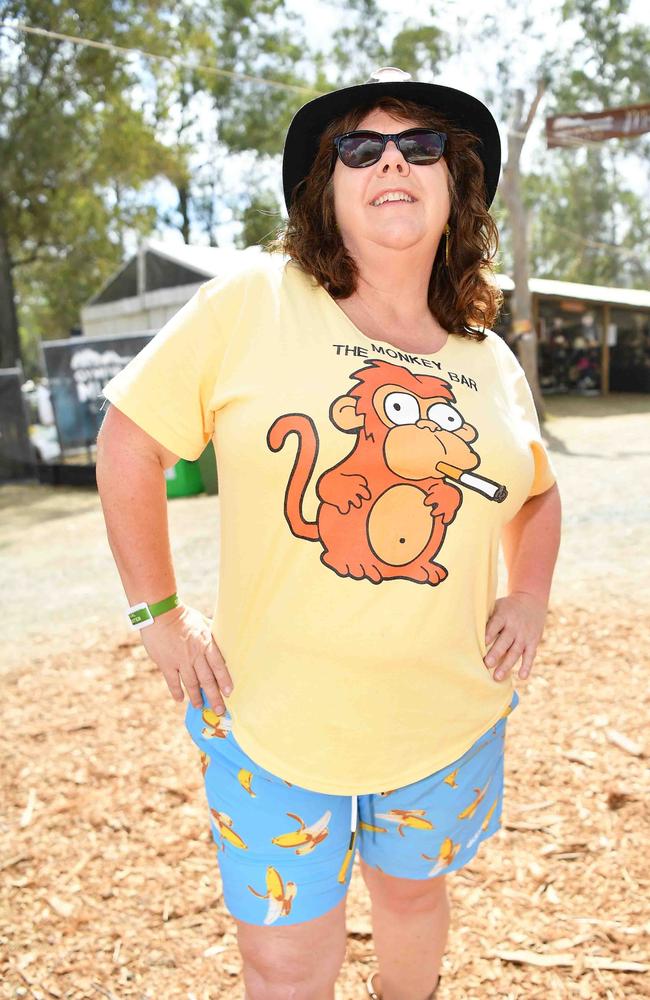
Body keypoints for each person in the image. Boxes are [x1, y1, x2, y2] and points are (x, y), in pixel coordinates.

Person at [96, 67, 562, 1000]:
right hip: (272, 725)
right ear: (328, 185)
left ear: (454, 181)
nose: (392, 161)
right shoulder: (253, 301)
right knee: (283, 961)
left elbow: (536, 493)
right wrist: (158, 612)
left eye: (420, 144)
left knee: (413, 906)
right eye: (361, 147)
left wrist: (527, 592)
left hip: (446, 722)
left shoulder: (489, 356)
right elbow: (129, 442)